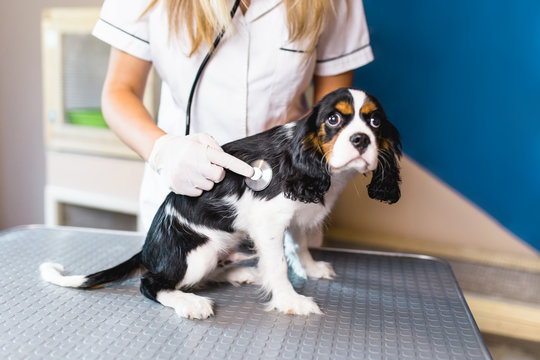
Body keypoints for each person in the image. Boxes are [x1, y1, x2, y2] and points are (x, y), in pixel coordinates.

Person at [92, 0, 374, 231]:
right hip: (186, 208)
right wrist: (162, 150)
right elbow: (119, 90)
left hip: (287, 204)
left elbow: (333, 112)